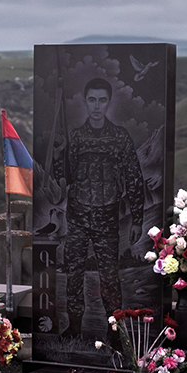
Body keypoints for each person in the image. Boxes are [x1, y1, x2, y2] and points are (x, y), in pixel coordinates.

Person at [53, 77, 145, 337]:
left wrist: (137, 218)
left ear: (108, 102)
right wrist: (59, 154)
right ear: (85, 102)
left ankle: (114, 330)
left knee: (109, 277)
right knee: (74, 274)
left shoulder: (119, 137)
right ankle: (73, 327)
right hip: (78, 216)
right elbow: (64, 177)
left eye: (102, 100)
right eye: (92, 100)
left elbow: (134, 177)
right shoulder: (76, 137)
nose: (96, 106)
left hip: (107, 217)